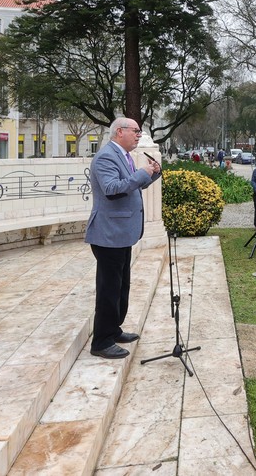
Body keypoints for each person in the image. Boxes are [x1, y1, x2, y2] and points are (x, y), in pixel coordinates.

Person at [85, 118, 161, 359]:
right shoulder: (107, 156)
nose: (139, 135)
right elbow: (112, 189)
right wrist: (141, 173)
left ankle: (113, 329)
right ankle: (101, 341)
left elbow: (129, 186)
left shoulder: (123, 155)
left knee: (120, 286)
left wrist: (152, 175)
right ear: (120, 132)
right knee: (109, 289)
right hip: (108, 234)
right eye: (135, 131)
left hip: (120, 233)